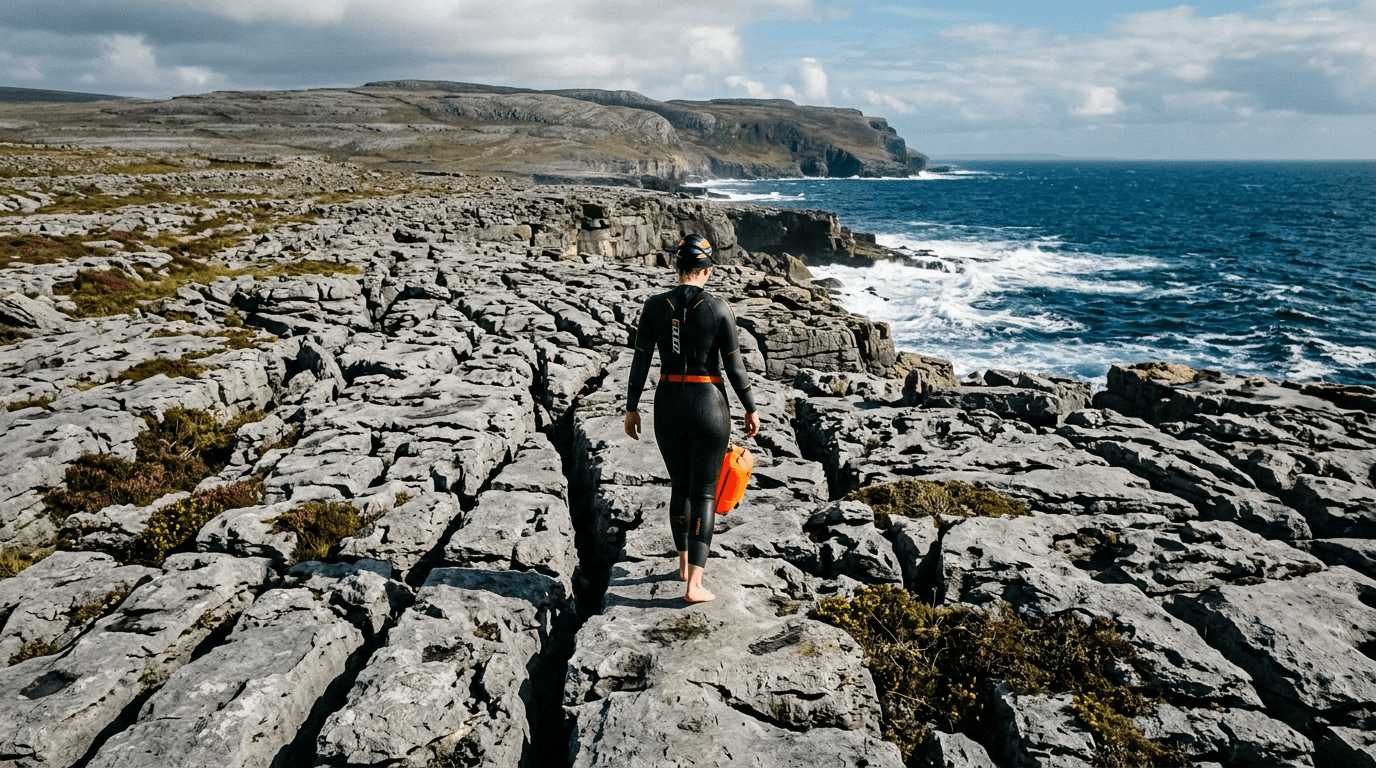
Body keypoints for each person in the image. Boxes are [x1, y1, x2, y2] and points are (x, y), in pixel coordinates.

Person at [623, 234, 762, 603]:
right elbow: (734, 366)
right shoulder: (718, 308)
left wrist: (631, 406)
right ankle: (694, 585)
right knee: (703, 493)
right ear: (708, 271)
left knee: (679, 488)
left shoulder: (654, 306)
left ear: (679, 268)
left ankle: (684, 563)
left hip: (668, 403)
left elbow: (640, 360)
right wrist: (750, 407)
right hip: (708, 405)